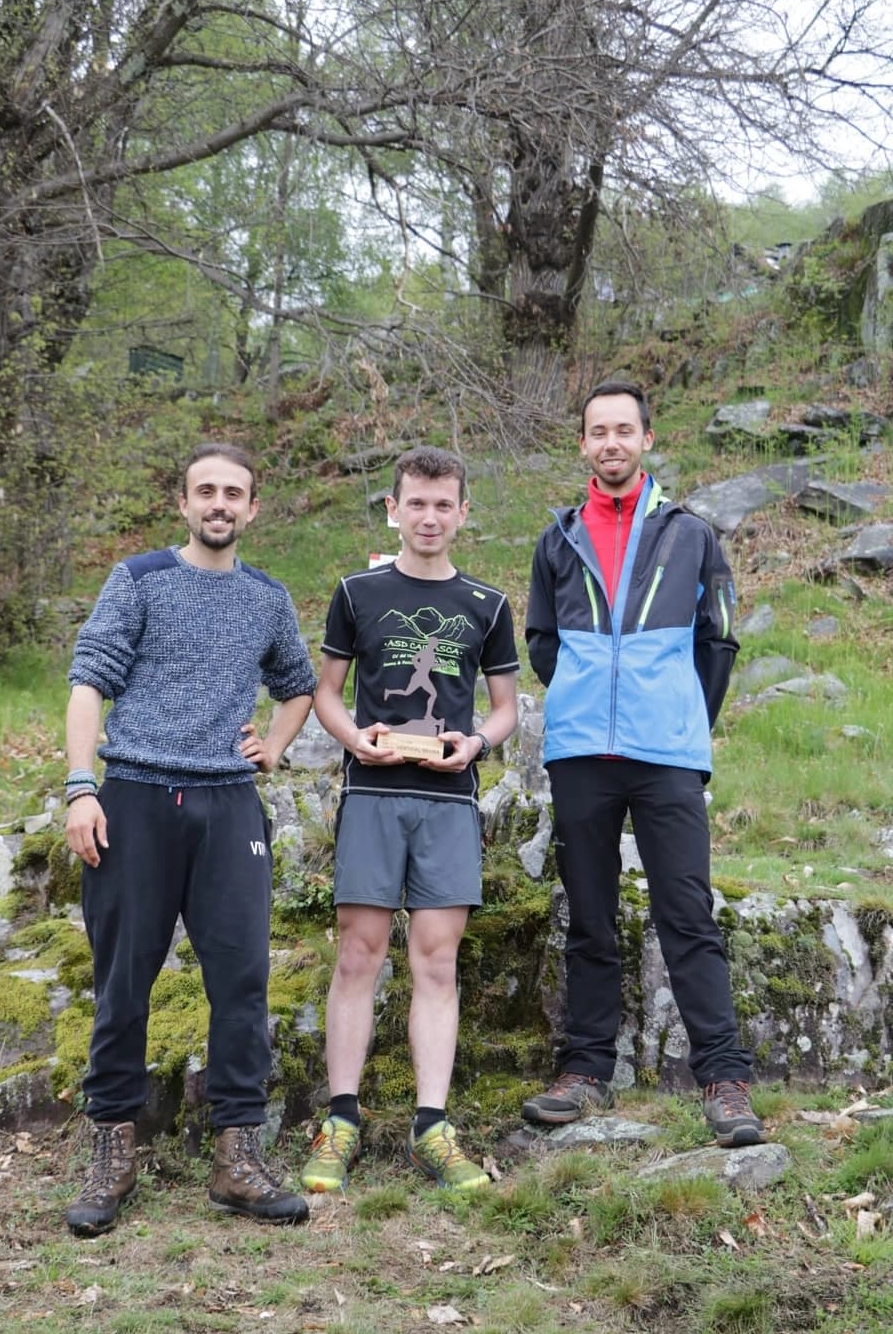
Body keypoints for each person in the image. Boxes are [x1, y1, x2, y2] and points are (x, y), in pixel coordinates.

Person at [63, 441, 316, 1234]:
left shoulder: (269, 599)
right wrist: (80, 788)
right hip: (133, 798)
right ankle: (112, 1151)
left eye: (233, 493)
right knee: (122, 981)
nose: (219, 503)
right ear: (183, 502)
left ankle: (237, 1159)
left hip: (229, 805)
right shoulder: (138, 580)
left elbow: (299, 684)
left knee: (241, 982)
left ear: (252, 508)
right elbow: (88, 682)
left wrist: (273, 746)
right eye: (205, 490)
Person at [522, 380, 763, 1148]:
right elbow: (541, 644)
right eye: (598, 431)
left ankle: (723, 1077)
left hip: (666, 755)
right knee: (589, 917)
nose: (611, 443)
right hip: (581, 755)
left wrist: (680, 711)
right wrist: (587, 701)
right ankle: (585, 1069)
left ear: (647, 438)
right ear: (584, 444)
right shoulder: (557, 539)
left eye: (624, 429)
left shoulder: (691, 533)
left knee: (687, 914)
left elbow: (718, 637)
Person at [301, 446, 519, 1195]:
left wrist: (476, 744)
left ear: (463, 513)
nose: (429, 517)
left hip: (449, 800)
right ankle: (341, 1122)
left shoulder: (488, 605)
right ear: (392, 509)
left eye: (443, 504)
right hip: (372, 790)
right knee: (358, 953)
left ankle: (432, 1127)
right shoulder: (356, 592)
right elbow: (327, 689)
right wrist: (351, 737)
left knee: (435, 960)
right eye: (415, 503)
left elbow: (506, 709)